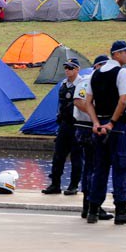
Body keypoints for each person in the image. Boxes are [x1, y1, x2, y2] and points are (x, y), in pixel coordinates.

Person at [83, 40, 126, 225]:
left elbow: (88, 102)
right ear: (116, 54)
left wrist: (95, 122)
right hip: (115, 128)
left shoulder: (95, 73)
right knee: (121, 167)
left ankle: (93, 209)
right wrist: (112, 123)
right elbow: (123, 101)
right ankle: (121, 209)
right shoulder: (122, 72)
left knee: (100, 168)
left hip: (99, 126)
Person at [74, 55, 113, 220]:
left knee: (93, 167)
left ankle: (90, 205)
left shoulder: (103, 82)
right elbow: (78, 101)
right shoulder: (87, 81)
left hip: (94, 127)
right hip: (87, 128)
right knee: (94, 167)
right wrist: (95, 115)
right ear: (97, 66)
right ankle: (91, 205)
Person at [42, 58, 84, 196]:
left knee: (76, 157)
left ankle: (73, 185)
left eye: (71, 68)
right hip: (64, 124)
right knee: (58, 155)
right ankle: (55, 184)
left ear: (77, 69)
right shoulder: (63, 84)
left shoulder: (82, 84)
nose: (67, 70)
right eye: (66, 67)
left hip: (77, 124)